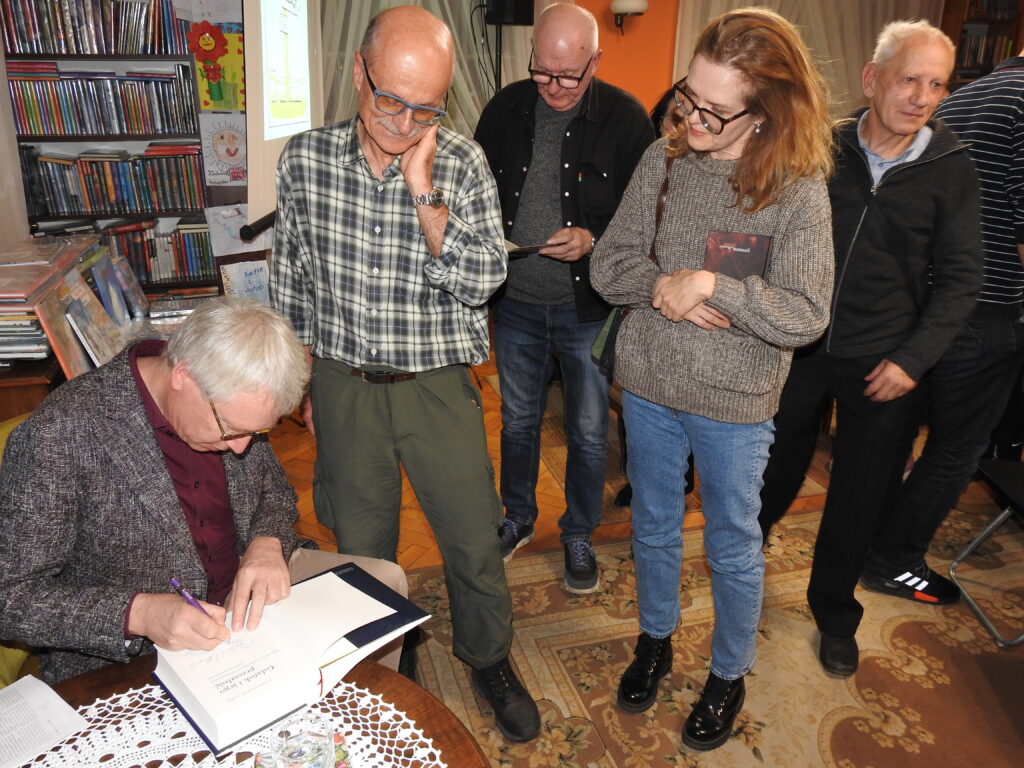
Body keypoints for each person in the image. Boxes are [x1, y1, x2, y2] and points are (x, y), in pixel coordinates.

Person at [269, 6, 540, 743]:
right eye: (390, 99)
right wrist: (303, 386)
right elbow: (289, 282)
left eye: (426, 106)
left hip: (438, 388)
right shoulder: (305, 160)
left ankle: (488, 655)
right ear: (360, 72)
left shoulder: (461, 162)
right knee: (361, 552)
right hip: (345, 386)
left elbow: (485, 278)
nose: (403, 121)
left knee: (474, 543)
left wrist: (425, 191)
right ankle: (388, 667)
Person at [591, 8, 834, 752]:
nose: (690, 117)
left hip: (735, 405)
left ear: (764, 114)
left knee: (732, 542)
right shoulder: (664, 159)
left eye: (714, 110)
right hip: (651, 385)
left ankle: (728, 673)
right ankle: (656, 640)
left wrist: (712, 286)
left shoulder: (795, 186)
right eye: (687, 97)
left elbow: (806, 313)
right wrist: (669, 284)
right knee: (654, 527)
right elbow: (609, 265)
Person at [0, 297, 407, 684]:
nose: (241, 447)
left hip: (251, 602)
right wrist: (138, 613)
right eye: (232, 430)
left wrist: (266, 543)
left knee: (385, 584)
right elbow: (10, 599)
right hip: (140, 648)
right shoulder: (59, 435)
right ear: (183, 375)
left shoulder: (232, 405)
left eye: (258, 432)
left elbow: (274, 492)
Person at [758, 21, 983, 677]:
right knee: (766, 477)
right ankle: (739, 572)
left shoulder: (951, 169)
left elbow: (963, 280)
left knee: (858, 500)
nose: (921, 97)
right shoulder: (822, 148)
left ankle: (834, 614)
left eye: (936, 84)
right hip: (800, 349)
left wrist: (913, 359)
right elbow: (775, 233)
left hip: (884, 363)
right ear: (872, 79)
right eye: (910, 78)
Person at [474, 3, 655, 594]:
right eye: (541, 72)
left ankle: (578, 530)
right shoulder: (504, 108)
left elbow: (648, 220)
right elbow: (473, 191)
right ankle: (517, 517)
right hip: (517, 301)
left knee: (586, 429)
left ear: (594, 62)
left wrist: (593, 240)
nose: (552, 86)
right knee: (519, 422)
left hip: (587, 309)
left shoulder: (627, 121)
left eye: (567, 76)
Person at [861, 47, 1024, 604]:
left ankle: (866, 541)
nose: (926, 92)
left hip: (927, 306)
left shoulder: (974, 94)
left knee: (900, 437)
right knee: (957, 449)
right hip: (989, 307)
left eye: (935, 83)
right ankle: (893, 559)